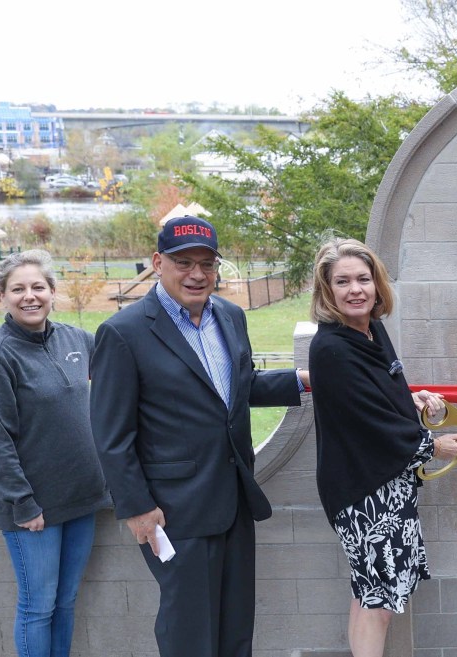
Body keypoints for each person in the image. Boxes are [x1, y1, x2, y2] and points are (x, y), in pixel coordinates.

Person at [89, 216, 308, 657]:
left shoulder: (229, 315)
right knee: (190, 633)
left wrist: (305, 380)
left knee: (235, 630)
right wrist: (137, 509)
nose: (197, 274)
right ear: (157, 262)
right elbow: (111, 434)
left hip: (232, 499)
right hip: (173, 513)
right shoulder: (123, 333)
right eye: (183, 262)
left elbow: (238, 388)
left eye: (207, 264)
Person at [306, 238, 457, 657]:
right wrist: (431, 445)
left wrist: (409, 399)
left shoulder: (371, 330)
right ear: (327, 290)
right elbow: (365, 421)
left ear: (377, 285)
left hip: (385, 483)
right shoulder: (331, 348)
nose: (355, 289)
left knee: (370, 593)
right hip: (363, 491)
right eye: (343, 281)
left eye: (363, 278)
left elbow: (373, 395)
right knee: (380, 599)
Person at [0, 250, 111, 657]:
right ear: (2, 296)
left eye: (38, 287)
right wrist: (23, 503)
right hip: (32, 507)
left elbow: (125, 363)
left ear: (53, 292)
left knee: (65, 601)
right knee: (38, 606)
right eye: (18, 289)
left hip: (81, 498)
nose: (29, 296)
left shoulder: (75, 339)